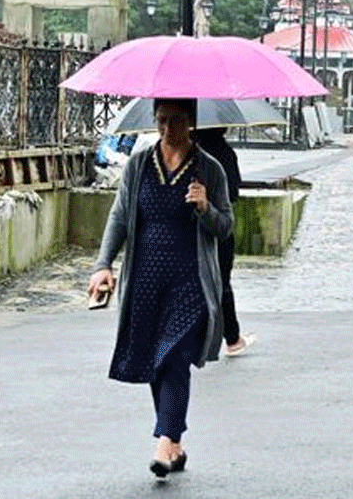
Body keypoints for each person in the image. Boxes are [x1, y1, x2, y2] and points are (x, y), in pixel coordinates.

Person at [85, 98, 232, 478]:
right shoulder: (138, 165)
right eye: (162, 120)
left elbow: (225, 227)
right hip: (146, 280)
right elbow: (119, 217)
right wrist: (103, 265)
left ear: (191, 122)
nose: (168, 129)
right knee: (156, 359)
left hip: (190, 281)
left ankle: (165, 441)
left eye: (177, 120)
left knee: (174, 356)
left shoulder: (209, 169)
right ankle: (176, 445)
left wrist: (206, 208)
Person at [193, 127, 255, 355]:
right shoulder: (225, 154)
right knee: (221, 283)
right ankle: (232, 338)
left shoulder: (186, 153)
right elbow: (233, 193)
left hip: (190, 229)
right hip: (217, 228)